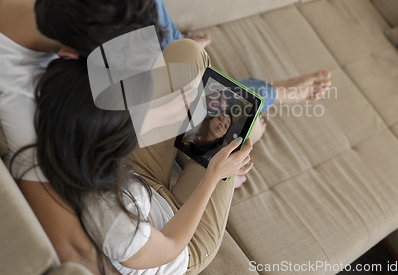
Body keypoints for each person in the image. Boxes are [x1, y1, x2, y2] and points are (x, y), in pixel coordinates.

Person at [0, 0, 331, 273]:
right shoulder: (32, 124)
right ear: (74, 59)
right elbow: (87, 252)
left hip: (131, 177)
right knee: (225, 124)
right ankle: (263, 99)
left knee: (182, 52)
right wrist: (214, 174)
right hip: (160, 226)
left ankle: (198, 95)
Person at [17, 37, 253, 275]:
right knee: (233, 146)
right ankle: (221, 174)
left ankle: (199, 152)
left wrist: (159, 112)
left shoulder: (51, 140)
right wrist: (213, 177)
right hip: (180, 239)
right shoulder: (116, 227)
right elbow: (172, 245)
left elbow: (107, 128)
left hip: (136, 176)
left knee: (187, 52)